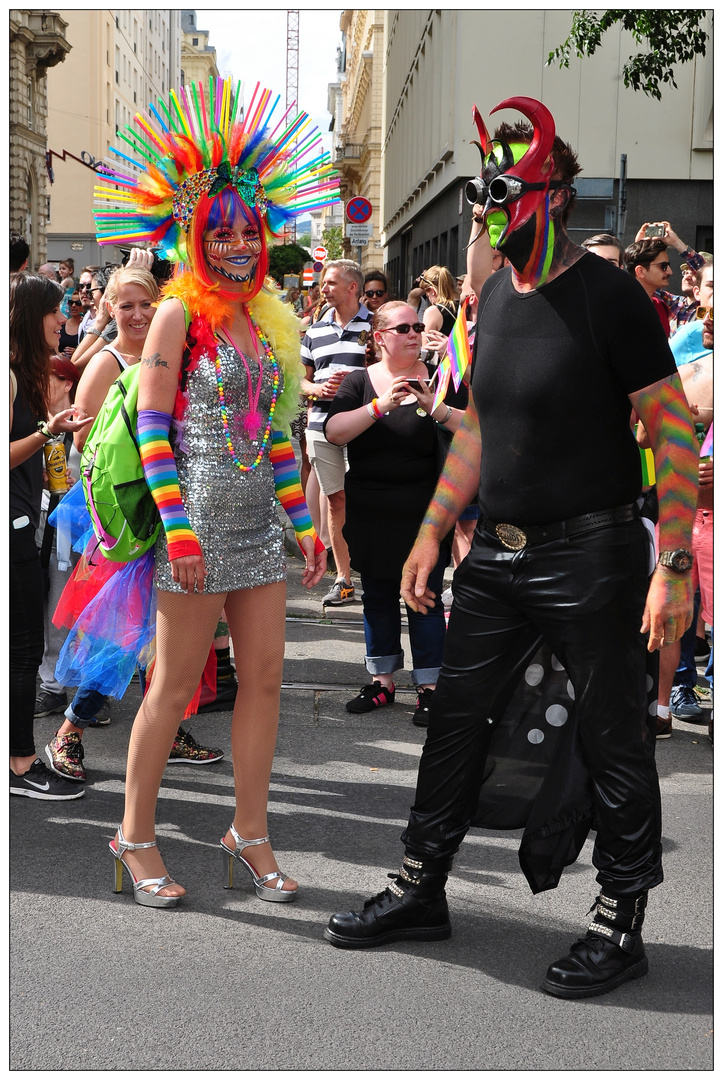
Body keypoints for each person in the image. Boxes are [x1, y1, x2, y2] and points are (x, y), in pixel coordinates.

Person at [323, 96, 699, 1000]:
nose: (488, 212)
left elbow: (674, 431)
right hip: (494, 553)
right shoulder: (493, 291)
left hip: (592, 555)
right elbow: (482, 428)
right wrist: (428, 534)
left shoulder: (610, 298)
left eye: (506, 193)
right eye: (482, 193)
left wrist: (673, 565)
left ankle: (620, 919)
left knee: (614, 742)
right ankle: (420, 887)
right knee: (452, 723)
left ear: (556, 196)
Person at [68, 76, 333, 907]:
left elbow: (278, 439)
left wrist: (305, 526)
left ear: (266, 236)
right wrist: (178, 531)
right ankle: (133, 837)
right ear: (192, 235)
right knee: (172, 688)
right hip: (196, 532)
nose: (235, 248)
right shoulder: (178, 315)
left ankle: (247, 833)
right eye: (219, 234)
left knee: (264, 682)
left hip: (256, 529)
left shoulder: (270, 320)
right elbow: (153, 430)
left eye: (247, 233)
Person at [324, 302, 463, 723]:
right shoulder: (358, 381)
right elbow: (333, 431)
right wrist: (380, 406)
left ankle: (429, 687)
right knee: (379, 596)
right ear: (380, 336)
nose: (415, 333)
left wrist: (435, 407)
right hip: (371, 507)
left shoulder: (442, 378)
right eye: (404, 327)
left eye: (418, 327)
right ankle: (382, 681)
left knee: (424, 595)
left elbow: (476, 428)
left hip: (426, 510)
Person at [10, 273, 94, 800]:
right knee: (22, 650)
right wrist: (48, 431)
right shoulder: (10, 375)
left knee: (21, 647)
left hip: (25, 522)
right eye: (55, 312)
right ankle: (19, 764)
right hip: (12, 527)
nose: (62, 321)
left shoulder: (23, 372)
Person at [300, 259, 372, 606]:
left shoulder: (376, 325)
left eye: (329, 283)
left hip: (367, 425)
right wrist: (316, 390)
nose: (322, 288)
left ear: (352, 287)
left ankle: (376, 569)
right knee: (335, 500)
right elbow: (298, 379)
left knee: (370, 497)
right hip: (321, 427)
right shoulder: (314, 331)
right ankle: (344, 579)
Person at [419, 266, 459, 336]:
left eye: (427, 294)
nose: (428, 297)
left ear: (432, 291)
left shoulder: (433, 312)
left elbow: (427, 345)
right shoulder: (466, 305)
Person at [57, 289, 83, 359]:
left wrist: (76, 352)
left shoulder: (86, 327)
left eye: (78, 303)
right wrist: (58, 354)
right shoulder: (62, 324)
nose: (74, 305)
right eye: (71, 303)